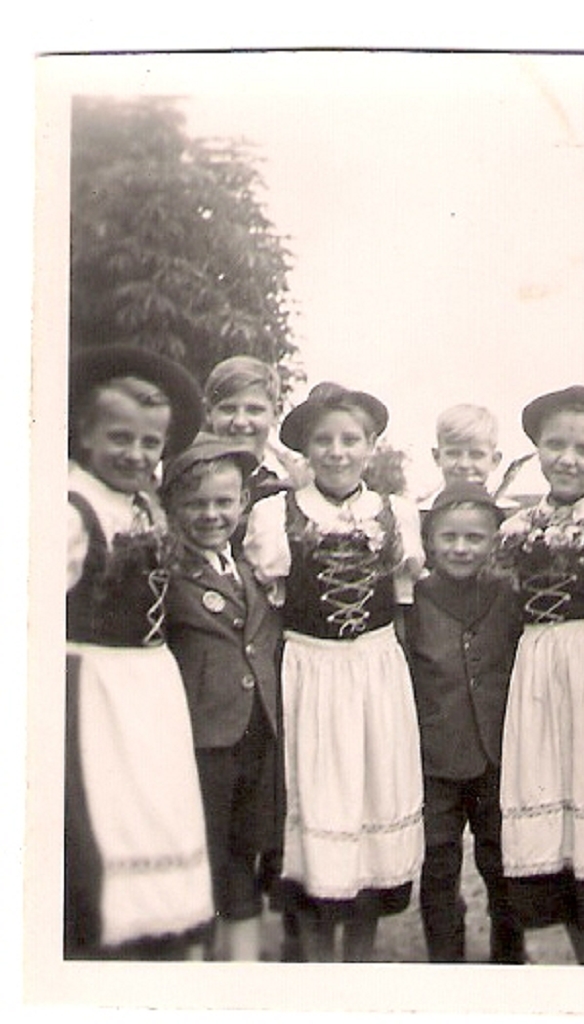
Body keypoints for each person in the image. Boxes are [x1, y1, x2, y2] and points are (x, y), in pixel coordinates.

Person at [243, 382, 425, 962]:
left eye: (351, 439)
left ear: (371, 447)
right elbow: (269, 608)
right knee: (318, 800)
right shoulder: (275, 514)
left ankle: (360, 961)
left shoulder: (397, 513)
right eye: (323, 440)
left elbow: (402, 605)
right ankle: (318, 962)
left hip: (374, 670)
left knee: (371, 796)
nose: (338, 451)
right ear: (304, 449)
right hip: (310, 671)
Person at [65, 343, 213, 959]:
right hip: (96, 685)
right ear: (84, 434)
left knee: (154, 808)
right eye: (119, 438)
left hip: (150, 684)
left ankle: (157, 932)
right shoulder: (70, 507)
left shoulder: (143, 504)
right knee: (106, 816)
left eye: (149, 443)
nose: (134, 454)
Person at [496, 385, 584, 965]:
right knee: (560, 830)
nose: (568, 459)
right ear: (537, 448)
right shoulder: (517, 525)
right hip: (538, 672)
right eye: (555, 445)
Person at [161, 433, 283, 962]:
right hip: (202, 737)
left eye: (223, 502)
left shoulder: (251, 569)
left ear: (243, 503)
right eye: (196, 504)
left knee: (243, 851)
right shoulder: (168, 574)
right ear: (173, 508)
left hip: (256, 733)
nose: (211, 515)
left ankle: (241, 966)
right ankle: (192, 967)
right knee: (201, 852)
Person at [404, 482, 526, 964]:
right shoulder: (414, 598)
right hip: (435, 756)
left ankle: (509, 959)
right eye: (448, 537)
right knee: (437, 863)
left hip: (498, 753)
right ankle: (445, 963)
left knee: (502, 860)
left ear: (494, 540)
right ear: (429, 541)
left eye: (474, 538)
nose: (460, 548)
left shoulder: (509, 594)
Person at [203, 354, 310, 506]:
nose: (240, 421)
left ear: (276, 412)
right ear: (208, 412)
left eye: (254, 410)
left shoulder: (297, 482)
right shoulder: (187, 476)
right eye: (228, 409)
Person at [418, 404, 505, 514]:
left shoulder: (508, 514)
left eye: (476, 455)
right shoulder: (421, 513)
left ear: (494, 460)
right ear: (437, 456)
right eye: (453, 454)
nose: (464, 464)